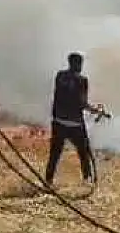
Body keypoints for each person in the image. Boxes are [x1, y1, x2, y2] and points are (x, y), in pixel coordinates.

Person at [44, 51, 109, 190]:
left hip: (58, 121)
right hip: (75, 124)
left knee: (54, 154)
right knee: (84, 153)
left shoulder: (60, 76)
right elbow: (82, 103)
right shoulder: (82, 80)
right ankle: (87, 180)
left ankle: (47, 181)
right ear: (78, 64)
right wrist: (97, 110)